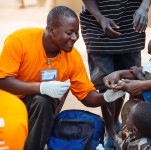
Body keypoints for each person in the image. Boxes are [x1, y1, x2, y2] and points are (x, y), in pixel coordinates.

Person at [0, 6, 119, 150]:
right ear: (51, 31)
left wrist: (107, 96)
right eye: (70, 33)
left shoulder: (72, 57)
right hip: (8, 103)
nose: (74, 38)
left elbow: (87, 96)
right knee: (41, 98)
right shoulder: (20, 41)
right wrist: (41, 87)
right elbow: (3, 81)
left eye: (77, 33)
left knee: (43, 101)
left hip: (37, 107)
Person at [80, 0, 151, 148]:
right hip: (97, 22)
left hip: (131, 21)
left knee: (126, 78)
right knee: (106, 82)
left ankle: (114, 121)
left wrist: (144, 7)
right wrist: (100, 18)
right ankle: (109, 131)